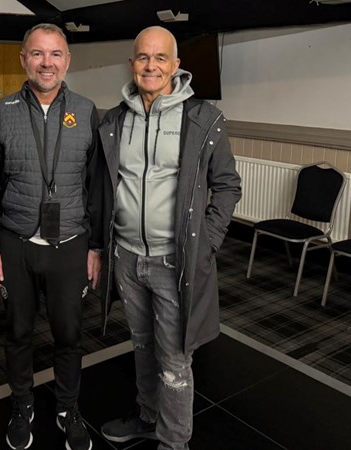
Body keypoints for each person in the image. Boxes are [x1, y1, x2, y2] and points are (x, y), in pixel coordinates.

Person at [97, 26, 242, 450]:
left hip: (173, 261)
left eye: (160, 58)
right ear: (132, 64)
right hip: (126, 256)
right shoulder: (114, 120)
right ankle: (148, 417)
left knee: (175, 359)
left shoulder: (203, 118)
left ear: (176, 65)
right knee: (142, 346)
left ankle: (174, 441)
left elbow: (227, 186)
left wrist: (207, 242)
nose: (151, 66)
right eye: (143, 57)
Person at [0, 23, 104, 450]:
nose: (46, 63)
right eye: (37, 53)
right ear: (23, 60)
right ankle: (22, 404)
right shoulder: (3, 111)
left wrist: (96, 247)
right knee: (18, 333)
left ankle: (68, 407)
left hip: (70, 244)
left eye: (55, 54)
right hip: (16, 243)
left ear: (67, 60)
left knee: (69, 334)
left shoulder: (86, 110)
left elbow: (96, 186)